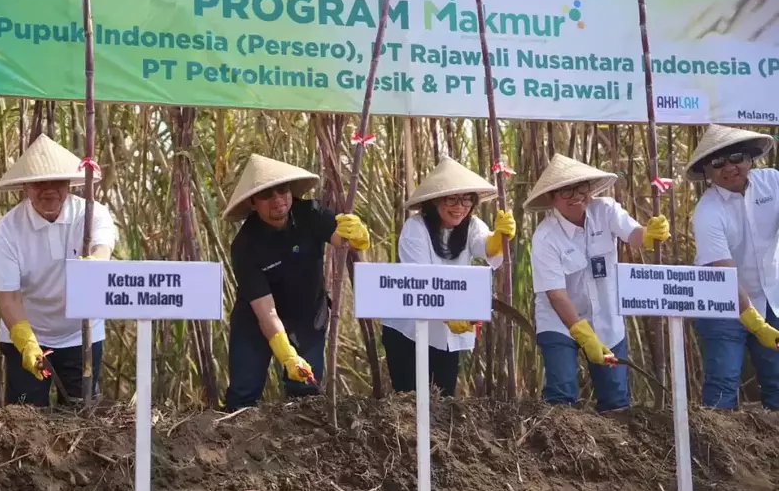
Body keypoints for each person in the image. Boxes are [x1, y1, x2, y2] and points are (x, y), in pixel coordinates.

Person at [222, 154, 370, 411]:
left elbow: (340, 238)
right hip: (257, 320)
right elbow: (266, 312)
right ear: (253, 203)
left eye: (282, 190)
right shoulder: (245, 245)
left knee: (306, 394)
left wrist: (357, 234)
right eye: (267, 195)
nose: (278, 199)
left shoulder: (310, 213)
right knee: (243, 395)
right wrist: (287, 355)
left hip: (308, 316)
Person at [527, 154, 669, 412]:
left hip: (606, 317)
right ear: (551, 197)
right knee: (562, 392)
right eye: (564, 191)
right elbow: (556, 295)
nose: (575, 196)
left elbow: (634, 234)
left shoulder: (606, 210)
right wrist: (583, 335)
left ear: (590, 188)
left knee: (615, 399)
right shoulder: (545, 237)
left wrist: (650, 234)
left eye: (580, 187)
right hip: (559, 321)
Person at [0, 135, 117, 407]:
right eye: (39, 182)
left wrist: (94, 263)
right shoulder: (7, 230)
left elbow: (102, 249)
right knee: (24, 416)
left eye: (56, 182)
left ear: (69, 183)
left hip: (81, 333)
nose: (48, 190)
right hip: (27, 332)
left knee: (81, 417)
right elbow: (8, 298)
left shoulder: (93, 214)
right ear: (25, 186)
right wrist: (26, 341)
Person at [380, 157, 515, 397]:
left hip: (448, 331)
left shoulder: (472, 224)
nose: (460, 207)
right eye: (452, 199)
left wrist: (499, 238)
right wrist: (448, 313)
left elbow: (485, 246)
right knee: (410, 398)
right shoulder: (416, 228)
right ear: (434, 201)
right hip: (408, 329)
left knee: (444, 398)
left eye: (467, 200)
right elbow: (420, 281)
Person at [687, 124, 779, 410]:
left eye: (736, 158)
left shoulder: (773, 182)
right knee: (723, 382)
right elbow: (724, 274)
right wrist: (753, 322)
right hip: (721, 305)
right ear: (707, 173)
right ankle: (716, 452)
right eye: (718, 163)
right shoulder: (707, 212)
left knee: (777, 379)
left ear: (750, 159)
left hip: (771, 297)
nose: (729, 168)